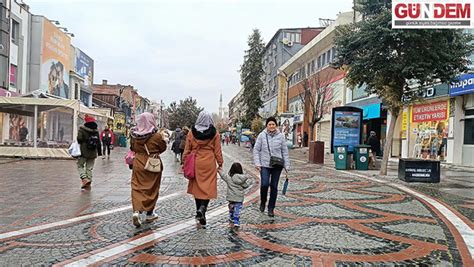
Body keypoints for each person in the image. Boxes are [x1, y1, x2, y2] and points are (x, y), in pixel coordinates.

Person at [183, 111, 223, 226]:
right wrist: (220, 163)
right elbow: (217, 151)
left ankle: (198, 211)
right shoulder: (215, 133)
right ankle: (203, 209)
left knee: (197, 188)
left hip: (196, 162)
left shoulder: (191, 132)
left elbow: (187, 149)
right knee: (208, 187)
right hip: (209, 162)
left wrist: (184, 161)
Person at [130, 112, 167, 227]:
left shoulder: (134, 135)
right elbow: (163, 147)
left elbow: (132, 148)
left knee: (137, 187)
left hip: (138, 162)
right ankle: (149, 213)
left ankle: (136, 211)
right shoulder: (156, 136)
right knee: (152, 188)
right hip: (152, 163)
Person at [253, 117, 290, 217]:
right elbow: (256, 150)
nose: (271, 126)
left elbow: (284, 151)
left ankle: (271, 208)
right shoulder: (262, 135)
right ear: (267, 126)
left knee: (274, 187)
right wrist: (257, 163)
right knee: (264, 184)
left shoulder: (281, 136)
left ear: (276, 125)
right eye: (269, 124)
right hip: (265, 164)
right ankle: (263, 201)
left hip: (277, 165)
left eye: (273, 124)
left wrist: (286, 165)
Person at [218, 162, 253, 228]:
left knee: (231, 208)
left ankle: (231, 217)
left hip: (231, 197)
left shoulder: (229, 178)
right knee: (237, 210)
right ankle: (236, 222)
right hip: (239, 198)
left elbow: (223, 175)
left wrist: (220, 170)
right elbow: (246, 186)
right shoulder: (242, 179)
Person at [76, 115, 102, 189]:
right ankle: (89, 182)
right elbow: (98, 142)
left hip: (84, 151)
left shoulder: (82, 129)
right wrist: (99, 152)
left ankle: (84, 179)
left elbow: (79, 139)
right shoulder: (96, 131)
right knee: (89, 168)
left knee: (80, 165)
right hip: (93, 152)